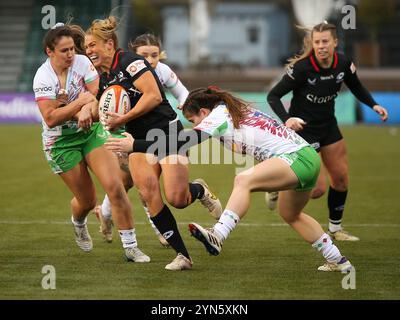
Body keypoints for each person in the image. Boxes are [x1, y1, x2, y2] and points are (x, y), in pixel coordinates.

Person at [105, 86, 353, 272]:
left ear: (204, 112)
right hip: (306, 157)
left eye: (193, 120)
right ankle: (338, 260)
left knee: (244, 180)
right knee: (291, 214)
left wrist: (134, 144)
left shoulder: (218, 116)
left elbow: (184, 141)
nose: (193, 125)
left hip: (297, 158)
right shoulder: (232, 111)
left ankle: (218, 235)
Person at [85, 16, 222, 270]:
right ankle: (183, 256)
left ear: (109, 44)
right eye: (86, 47)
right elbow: (104, 105)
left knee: (177, 198)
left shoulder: (130, 62)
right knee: (148, 193)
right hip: (136, 140)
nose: (88, 51)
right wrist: (90, 112)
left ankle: (199, 191)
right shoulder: (103, 77)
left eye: (93, 45)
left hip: (166, 132)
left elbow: (154, 95)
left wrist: (123, 118)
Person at [32, 23, 150, 263]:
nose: (70, 54)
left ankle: (131, 247)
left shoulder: (82, 63)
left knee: (115, 186)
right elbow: (51, 118)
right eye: (64, 51)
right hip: (61, 143)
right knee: (87, 201)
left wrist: (86, 107)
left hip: (90, 133)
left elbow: (97, 95)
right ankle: (79, 221)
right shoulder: (43, 78)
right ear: (49, 52)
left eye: (73, 49)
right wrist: (79, 105)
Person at [267, 22, 388, 241]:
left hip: (329, 127)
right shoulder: (302, 68)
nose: (321, 46)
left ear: (335, 42)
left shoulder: (343, 63)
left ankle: (335, 229)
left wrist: (373, 105)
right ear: (312, 44)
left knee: (341, 179)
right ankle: (277, 185)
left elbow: (356, 86)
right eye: (317, 42)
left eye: (325, 41)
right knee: (317, 190)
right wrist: (288, 119)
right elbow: (273, 96)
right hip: (304, 133)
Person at [94, 33, 190, 246]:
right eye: (145, 55)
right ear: (134, 55)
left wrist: (186, 105)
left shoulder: (162, 71)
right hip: (134, 134)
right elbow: (105, 103)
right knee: (129, 183)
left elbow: (182, 93)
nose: (150, 60)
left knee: (157, 190)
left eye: (155, 55)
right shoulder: (118, 72)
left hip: (164, 130)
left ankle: (110, 215)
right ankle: (109, 216)